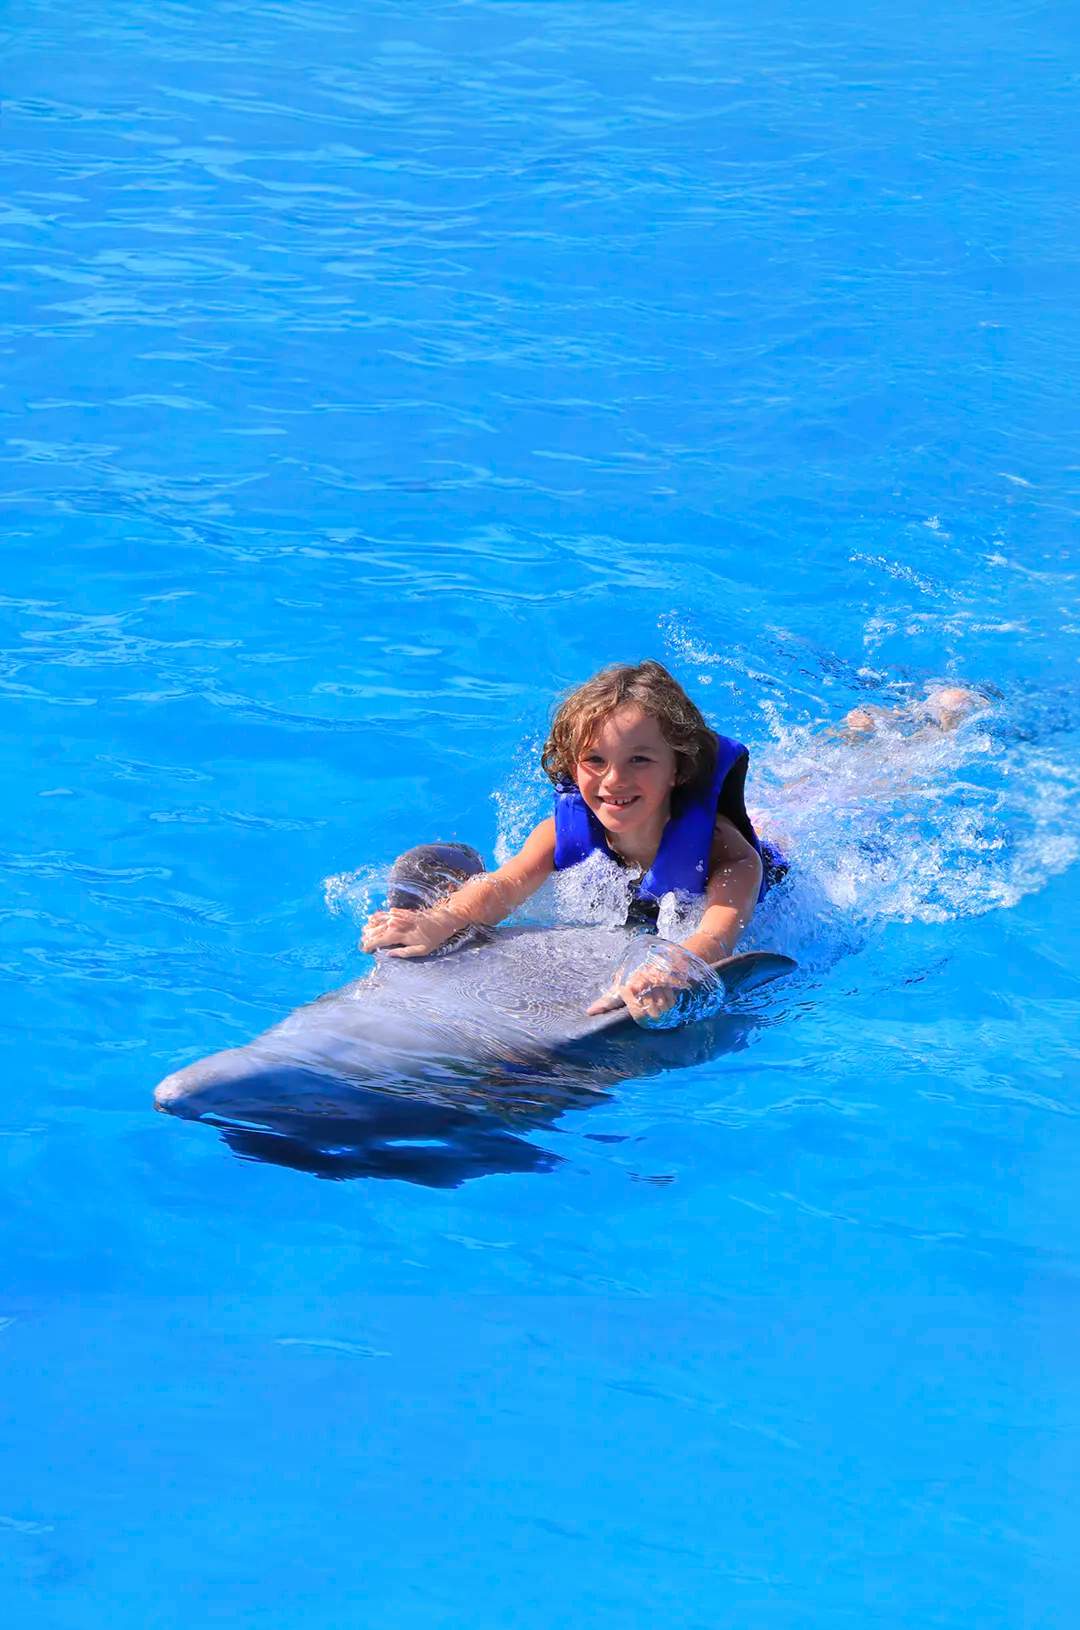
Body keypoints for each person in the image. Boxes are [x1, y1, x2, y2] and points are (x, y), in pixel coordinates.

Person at [361, 661, 782, 1022]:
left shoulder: (726, 855)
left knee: (793, 807)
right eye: (595, 760)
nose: (614, 780)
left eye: (640, 759)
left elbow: (716, 937)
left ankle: (847, 737)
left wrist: (667, 968)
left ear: (678, 768)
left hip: (776, 868)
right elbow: (502, 886)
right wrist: (440, 920)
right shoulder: (561, 833)